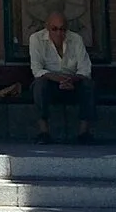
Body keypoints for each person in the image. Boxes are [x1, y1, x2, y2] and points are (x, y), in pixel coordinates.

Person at [28, 11, 94, 143]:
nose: (59, 33)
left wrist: (72, 80)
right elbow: (37, 69)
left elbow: (85, 69)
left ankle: (84, 133)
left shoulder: (76, 39)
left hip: (73, 82)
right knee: (39, 85)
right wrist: (58, 79)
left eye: (62, 29)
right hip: (50, 82)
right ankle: (44, 132)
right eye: (54, 29)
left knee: (89, 85)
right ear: (47, 28)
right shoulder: (36, 39)